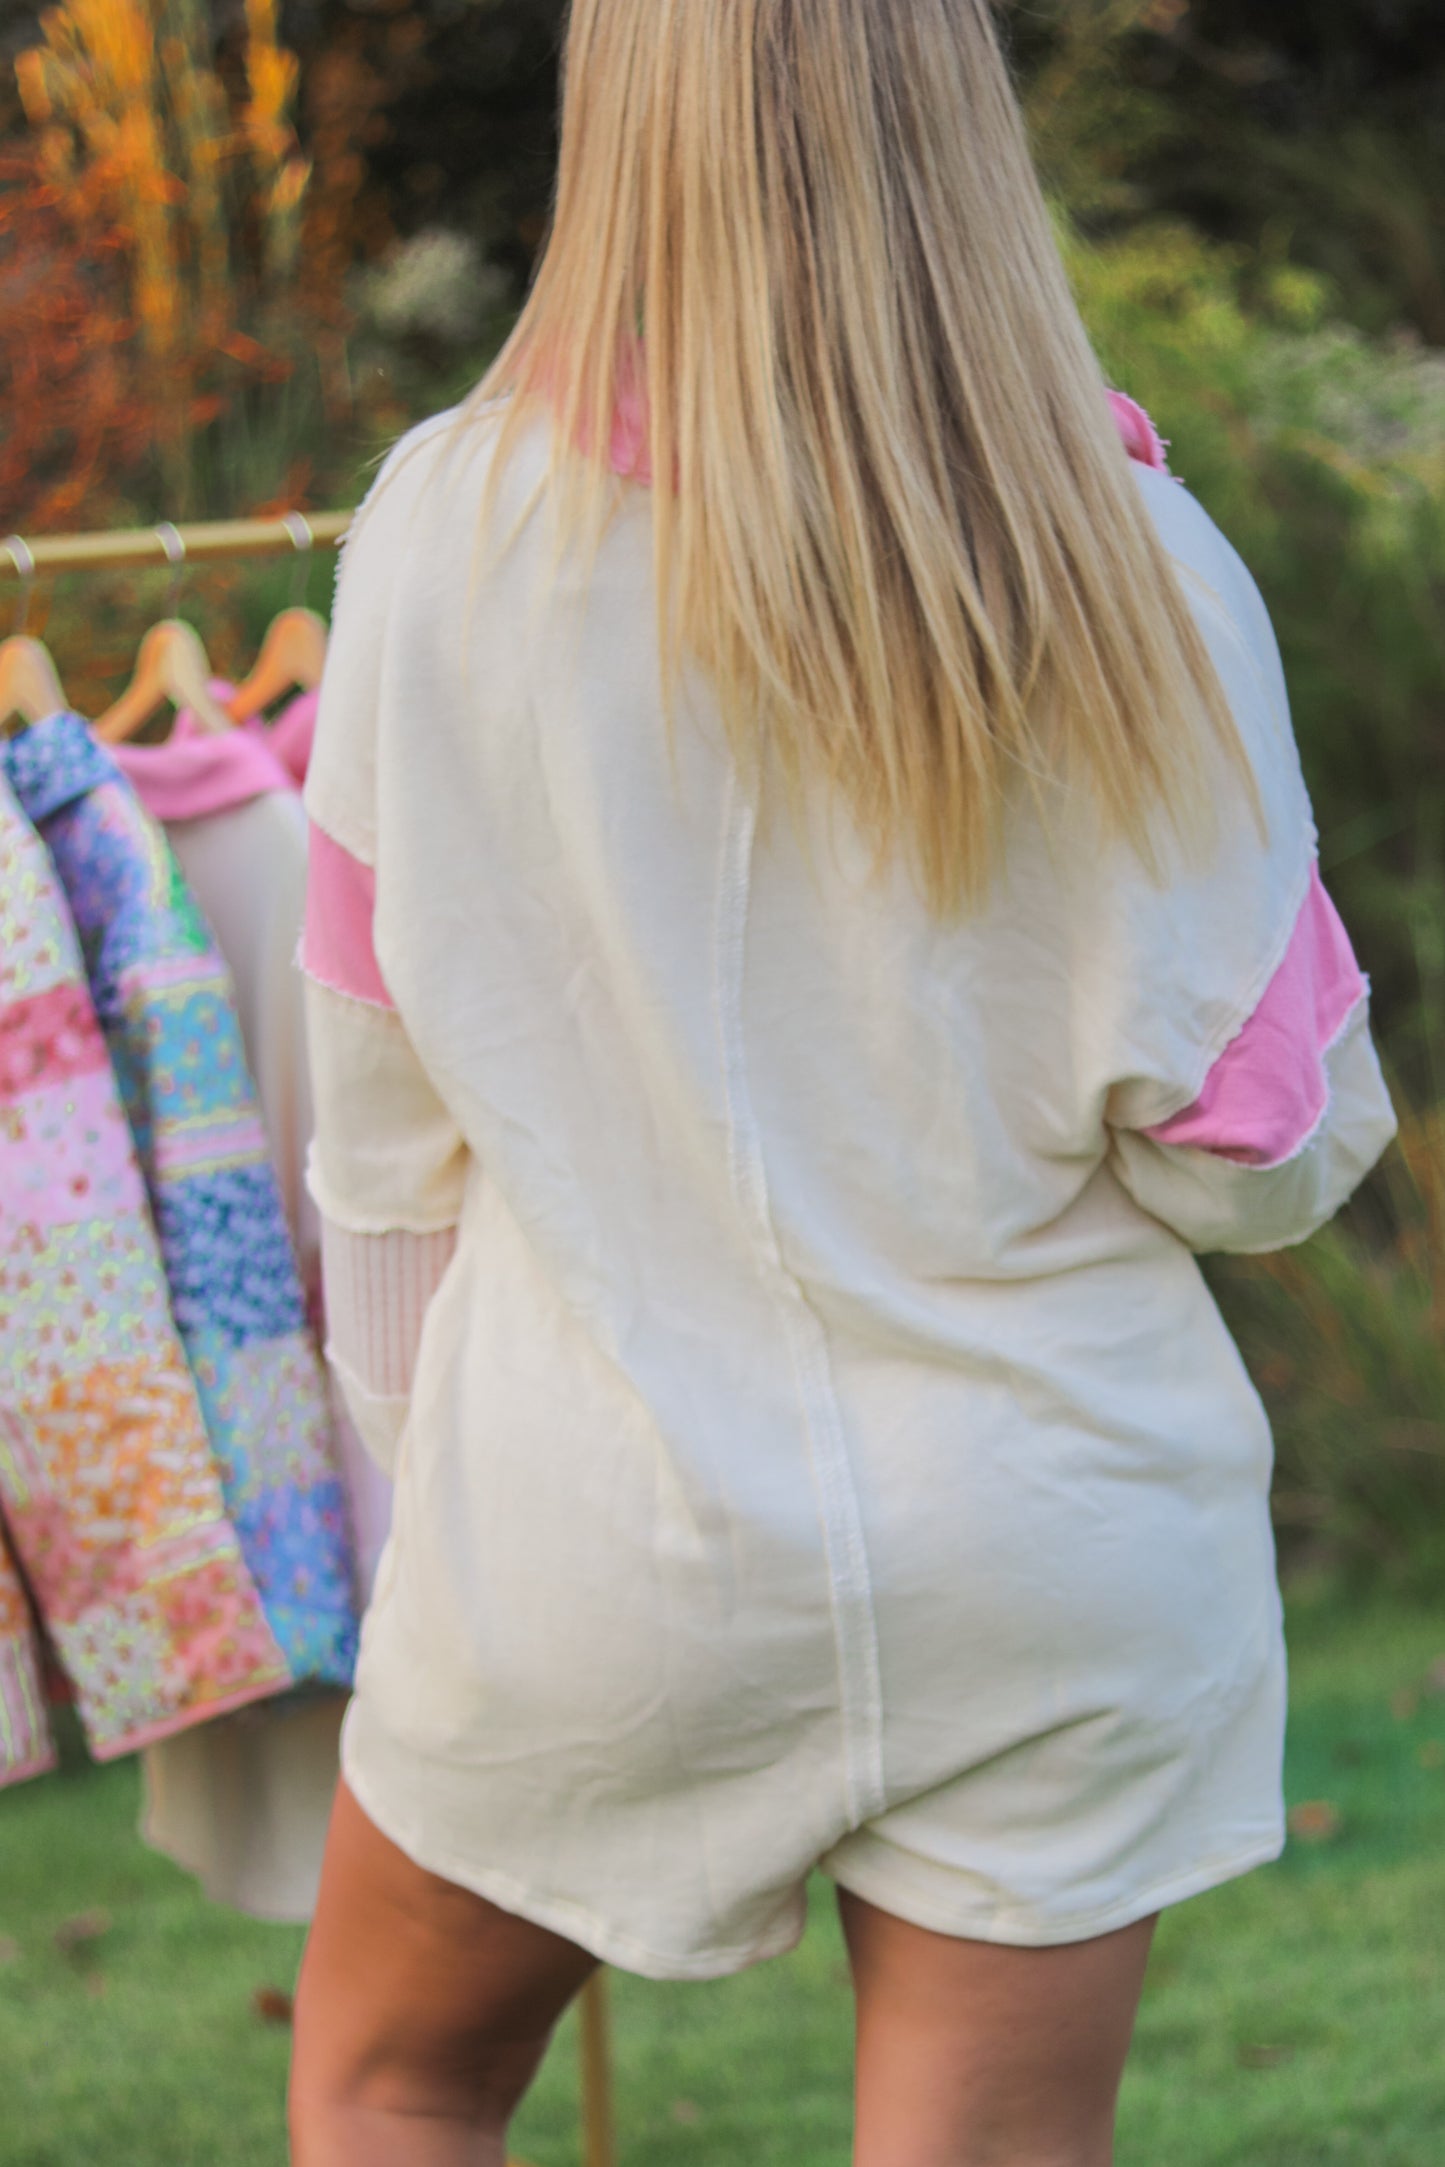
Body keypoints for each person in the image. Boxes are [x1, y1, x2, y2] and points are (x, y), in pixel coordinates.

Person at [287, 2, 1397, 2161]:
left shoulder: (440, 534)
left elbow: (382, 1130)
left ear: (619, 118)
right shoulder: (1142, 564)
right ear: (957, 118)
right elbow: (1256, 1156)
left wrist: (442, 1489)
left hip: (595, 1529)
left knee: (392, 2078)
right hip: (1053, 1536)